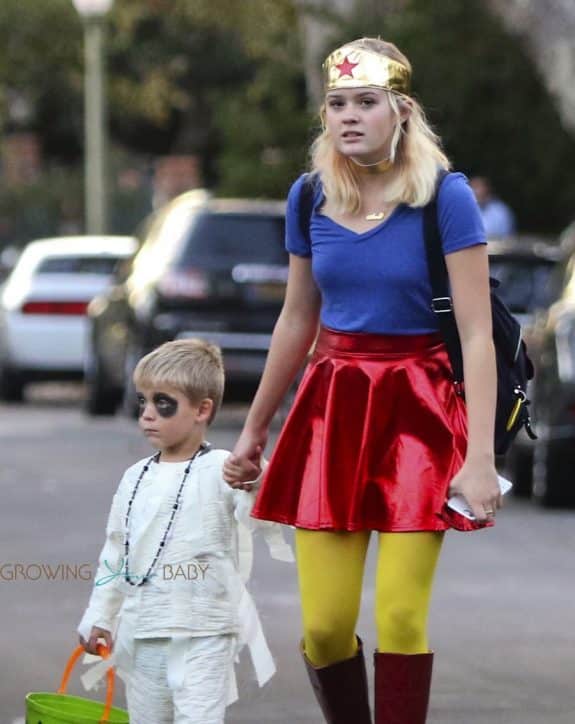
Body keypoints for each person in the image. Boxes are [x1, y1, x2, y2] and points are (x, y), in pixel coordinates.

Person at [223, 37, 500, 724]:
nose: (348, 117)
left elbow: (474, 334)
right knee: (323, 628)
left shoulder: (446, 196)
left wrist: (480, 461)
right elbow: (296, 319)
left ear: (400, 110)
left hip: (419, 406)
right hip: (332, 407)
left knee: (401, 617)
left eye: (365, 102)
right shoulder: (310, 194)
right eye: (336, 104)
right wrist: (254, 431)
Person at [77, 338, 293, 724]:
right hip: (143, 632)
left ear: (202, 409)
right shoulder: (134, 477)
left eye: (163, 403)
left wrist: (255, 479)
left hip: (204, 632)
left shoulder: (223, 467)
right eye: (143, 400)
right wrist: (100, 616)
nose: (147, 414)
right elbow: (115, 551)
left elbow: (261, 518)